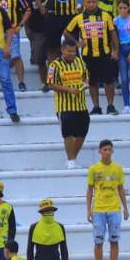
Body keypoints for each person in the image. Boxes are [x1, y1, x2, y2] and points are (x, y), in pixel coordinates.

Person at [66, 0, 120, 115]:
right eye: (88, 2)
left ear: (97, 2)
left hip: (105, 54)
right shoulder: (78, 18)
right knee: (92, 82)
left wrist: (116, 51)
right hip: (87, 55)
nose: (91, 4)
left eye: (93, 2)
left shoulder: (106, 15)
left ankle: (110, 105)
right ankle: (96, 107)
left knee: (108, 80)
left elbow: (113, 35)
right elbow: (67, 32)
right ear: (84, 3)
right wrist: (77, 43)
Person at [86, 139, 128, 260]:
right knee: (98, 240)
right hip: (98, 209)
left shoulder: (118, 168)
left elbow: (121, 188)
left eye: (110, 149)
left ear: (113, 151)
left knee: (114, 240)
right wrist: (88, 210)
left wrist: (125, 208)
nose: (107, 152)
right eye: (105, 149)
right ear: (100, 151)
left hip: (114, 208)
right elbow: (89, 190)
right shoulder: (93, 169)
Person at [49, 39, 92, 167]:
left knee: (82, 132)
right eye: (69, 51)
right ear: (62, 50)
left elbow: (86, 77)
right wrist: (68, 89)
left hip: (81, 104)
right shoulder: (54, 65)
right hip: (64, 106)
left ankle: (71, 159)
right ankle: (72, 161)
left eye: (73, 51)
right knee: (68, 132)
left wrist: (86, 84)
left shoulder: (79, 61)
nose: (71, 53)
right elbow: (51, 84)